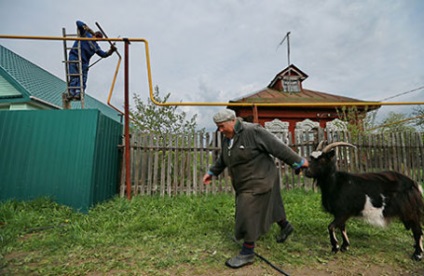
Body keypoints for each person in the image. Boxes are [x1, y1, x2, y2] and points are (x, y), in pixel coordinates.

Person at [202, 109, 309, 269]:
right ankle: (285, 226)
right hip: (244, 181)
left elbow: (277, 147)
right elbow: (223, 159)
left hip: (261, 177)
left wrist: (298, 162)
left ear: (232, 121)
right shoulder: (227, 139)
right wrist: (212, 172)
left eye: (222, 126)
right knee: (272, 204)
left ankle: (247, 252)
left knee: (247, 212)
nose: (220, 130)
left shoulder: (253, 131)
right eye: (218, 127)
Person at [68, 20, 116, 99]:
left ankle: (78, 93)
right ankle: (71, 92)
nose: (97, 41)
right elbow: (78, 22)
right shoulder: (86, 35)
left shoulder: (96, 46)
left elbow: (103, 54)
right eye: (98, 38)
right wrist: (88, 28)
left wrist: (111, 50)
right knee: (74, 76)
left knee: (82, 79)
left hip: (84, 63)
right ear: (95, 35)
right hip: (75, 56)